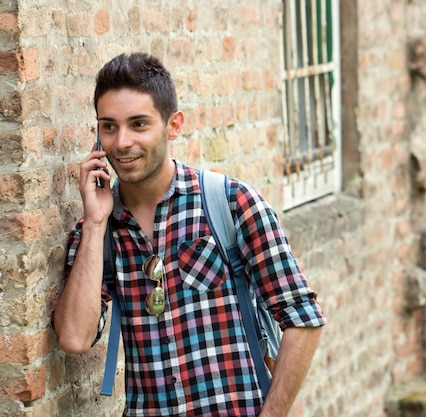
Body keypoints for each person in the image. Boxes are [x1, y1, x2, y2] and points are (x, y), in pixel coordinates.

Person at [53, 52, 326, 417]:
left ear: (174, 125)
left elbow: (303, 317)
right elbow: (74, 338)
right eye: (109, 126)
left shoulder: (230, 203)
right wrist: (96, 223)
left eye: (138, 124)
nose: (121, 142)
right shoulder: (97, 231)